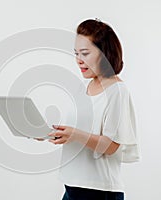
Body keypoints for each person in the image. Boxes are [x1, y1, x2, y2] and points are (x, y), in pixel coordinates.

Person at [46, 18, 140, 200]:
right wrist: (51, 132)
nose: (79, 61)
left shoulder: (117, 91)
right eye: (76, 54)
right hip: (72, 186)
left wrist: (74, 134)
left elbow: (111, 145)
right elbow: (79, 133)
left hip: (98, 191)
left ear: (104, 53)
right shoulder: (84, 87)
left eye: (85, 53)